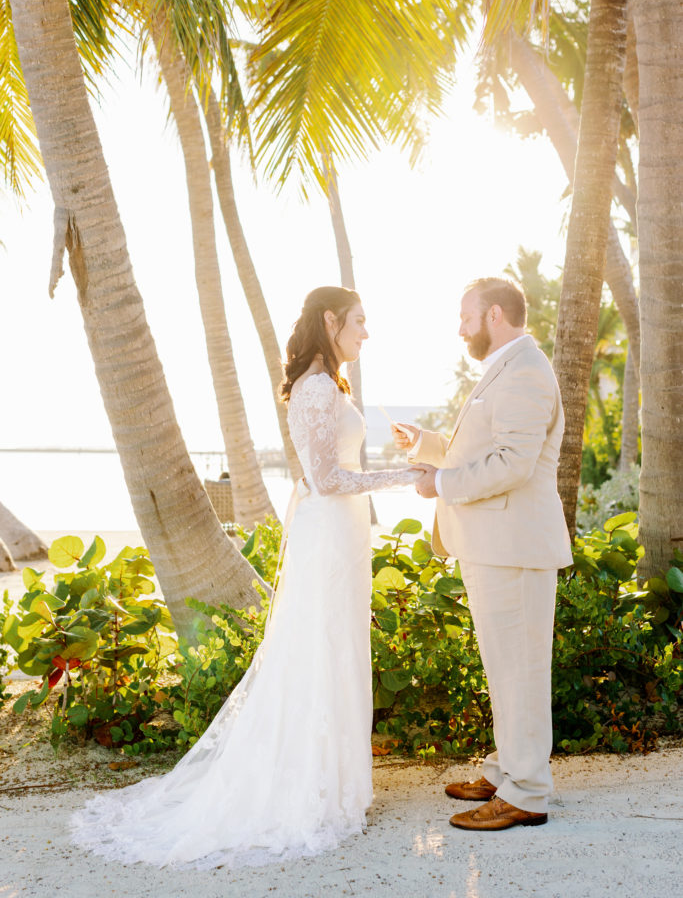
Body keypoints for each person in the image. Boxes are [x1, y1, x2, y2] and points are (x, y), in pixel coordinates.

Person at [71, 285, 422, 868]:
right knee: (317, 649)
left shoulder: (329, 385)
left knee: (338, 648)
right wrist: (405, 476)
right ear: (331, 321)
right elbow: (328, 480)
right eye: (360, 321)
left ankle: (338, 783)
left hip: (341, 536)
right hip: (327, 537)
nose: (367, 331)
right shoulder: (312, 388)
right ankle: (311, 789)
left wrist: (395, 454)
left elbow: (336, 466)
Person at [394, 277, 571, 831]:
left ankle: (527, 794)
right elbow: (485, 452)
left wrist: (440, 485)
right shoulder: (507, 368)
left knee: (519, 672)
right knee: (505, 669)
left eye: (466, 316)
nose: (460, 327)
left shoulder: (524, 372)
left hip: (513, 549)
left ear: (495, 314)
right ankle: (507, 774)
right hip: (497, 545)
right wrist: (428, 446)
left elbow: (512, 465)